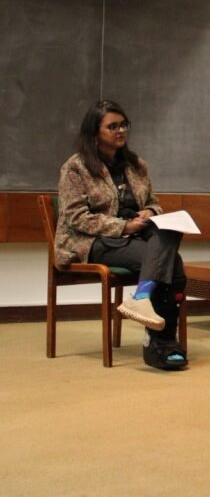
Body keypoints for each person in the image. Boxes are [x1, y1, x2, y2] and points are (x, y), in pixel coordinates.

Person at [55, 100, 187, 370]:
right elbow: (76, 217)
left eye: (124, 125)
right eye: (112, 126)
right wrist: (123, 227)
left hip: (135, 235)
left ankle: (145, 305)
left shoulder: (136, 165)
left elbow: (153, 202)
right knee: (172, 264)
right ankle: (161, 345)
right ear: (95, 132)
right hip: (92, 241)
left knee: (169, 232)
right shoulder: (76, 168)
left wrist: (149, 212)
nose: (120, 131)